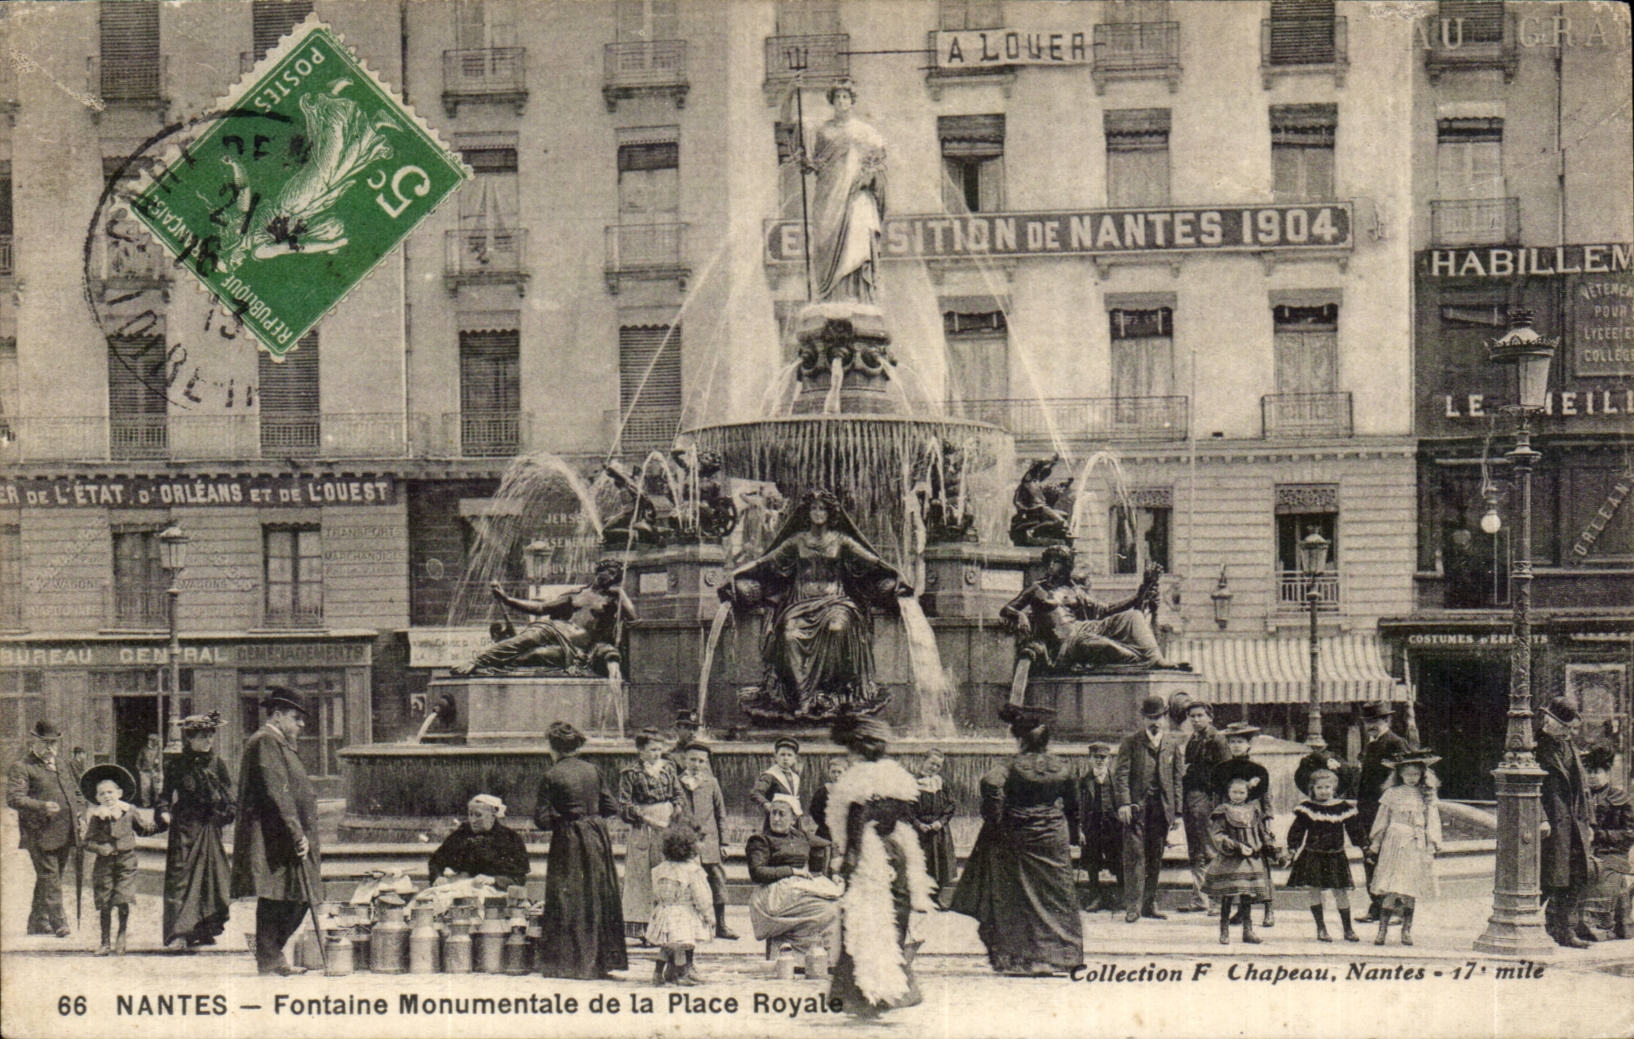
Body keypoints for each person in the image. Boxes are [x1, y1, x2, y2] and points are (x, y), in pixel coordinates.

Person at [721, 489, 910, 720]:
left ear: (831, 513)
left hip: (836, 602)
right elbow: (764, 562)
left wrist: (897, 575)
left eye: (822, 508)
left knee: (837, 629)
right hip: (800, 603)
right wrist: (737, 573)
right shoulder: (797, 541)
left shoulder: (842, 540)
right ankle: (804, 699)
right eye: (814, 508)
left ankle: (832, 694)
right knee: (789, 636)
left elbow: (874, 562)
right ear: (807, 512)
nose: (818, 512)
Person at [952, 704, 1083, 976]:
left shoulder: (1010, 765)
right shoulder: (1063, 766)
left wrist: (996, 817)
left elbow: (990, 783)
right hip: (1052, 837)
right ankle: (1062, 956)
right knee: (1057, 896)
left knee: (1016, 897)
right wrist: (1072, 831)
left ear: (1021, 740)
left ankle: (1021, 958)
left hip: (1018, 835)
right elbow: (1073, 804)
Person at [825, 714, 933, 1017]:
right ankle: (893, 988)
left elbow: (856, 818)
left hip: (871, 854)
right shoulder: (896, 775)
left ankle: (864, 993)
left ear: (857, 749)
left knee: (865, 920)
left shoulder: (856, 778)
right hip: (897, 850)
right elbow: (908, 813)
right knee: (894, 917)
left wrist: (850, 857)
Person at [230, 691, 320, 976]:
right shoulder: (266, 741)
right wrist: (296, 833)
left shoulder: (278, 742)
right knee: (284, 895)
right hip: (274, 834)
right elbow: (276, 790)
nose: (302, 725)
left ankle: (270, 954)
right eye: (296, 718)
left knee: (290, 894)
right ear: (277, 715)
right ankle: (269, 956)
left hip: (280, 832)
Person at [534, 721, 627, 979]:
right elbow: (610, 807)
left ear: (553, 747)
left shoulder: (551, 775)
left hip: (569, 839)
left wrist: (563, 817)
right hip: (597, 836)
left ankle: (569, 963)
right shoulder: (593, 770)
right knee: (599, 893)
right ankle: (601, 961)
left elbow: (541, 820)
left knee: (568, 897)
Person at [1000, 545, 1184, 673]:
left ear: (1066, 566)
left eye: (1057, 562)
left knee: (1133, 616)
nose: (1051, 566)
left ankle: (1157, 659)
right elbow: (1007, 609)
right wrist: (1020, 615)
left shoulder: (1075, 591)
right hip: (1067, 644)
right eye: (1049, 562)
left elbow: (1106, 610)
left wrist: (1140, 593)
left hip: (1083, 628)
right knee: (1109, 648)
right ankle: (1143, 661)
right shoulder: (1036, 589)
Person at [452, 559, 637, 676]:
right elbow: (540, 608)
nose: (613, 577)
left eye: (616, 575)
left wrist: (621, 594)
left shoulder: (613, 598)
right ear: (598, 571)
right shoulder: (577, 593)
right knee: (523, 640)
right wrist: (507, 599)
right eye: (610, 572)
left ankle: (492, 666)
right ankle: (477, 662)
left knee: (535, 655)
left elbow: (633, 617)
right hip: (552, 628)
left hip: (573, 647)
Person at [158, 713, 235, 952]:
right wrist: (163, 812)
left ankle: (203, 929)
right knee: (181, 880)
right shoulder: (176, 765)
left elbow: (230, 797)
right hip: (184, 827)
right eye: (202, 736)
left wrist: (224, 815)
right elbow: (163, 796)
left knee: (211, 878)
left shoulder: (217, 764)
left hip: (209, 827)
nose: (208, 740)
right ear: (189, 738)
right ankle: (179, 933)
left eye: (210, 735)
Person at [805, 78, 887, 304]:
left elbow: (879, 163)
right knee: (827, 242)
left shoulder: (866, 132)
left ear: (852, 101)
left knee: (857, 240)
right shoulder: (823, 132)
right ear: (832, 101)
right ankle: (831, 295)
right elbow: (816, 162)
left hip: (856, 196)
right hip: (829, 197)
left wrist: (869, 177)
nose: (842, 102)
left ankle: (857, 294)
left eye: (846, 97)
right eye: (838, 97)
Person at [7, 720, 87, 938]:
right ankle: (59, 922)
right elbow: (14, 798)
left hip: (65, 830)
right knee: (50, 877)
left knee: (51, 877)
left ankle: (38, 922)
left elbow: (78, 794)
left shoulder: (63, 765)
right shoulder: (22, 767)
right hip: (39, 832)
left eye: (54, 743)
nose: (50, 748)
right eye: (45, 743)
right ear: (34, 741)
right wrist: (41, 806)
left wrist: (80, 814)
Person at [1113, 694, 1184, 923]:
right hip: (1136, 809)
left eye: (1159, 717)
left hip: (1161, 810)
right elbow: (1121, 775)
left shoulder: (1173, 744)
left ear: (1165, 717)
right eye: (1150, 717)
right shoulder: (1131, 742)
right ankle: (1132, 906)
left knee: (1155, 856)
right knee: (1134, 856)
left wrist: (1178, 812)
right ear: (1143, 718)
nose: (1154, 722)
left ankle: (1149, 903)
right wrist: (1123, 802)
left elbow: (1177, 779)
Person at [745, 795, 842, 960]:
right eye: (773, 813)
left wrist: (835, 871)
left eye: (781, 814)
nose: (775, 818)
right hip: (772, 896)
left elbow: (830, 845)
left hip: (795, 890)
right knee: (828, 910)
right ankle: (796, 953)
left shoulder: (800, 836)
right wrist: (792, 871)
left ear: (793, 819)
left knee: (837, 905)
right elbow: (757, 873)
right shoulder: (761, 841)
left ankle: (805, 955)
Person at [1536, 697, 1596, 948]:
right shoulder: (1535, 746)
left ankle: (1564, 928)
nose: (1568, 732)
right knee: (1549, 879)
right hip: (1551, 824)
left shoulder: (1569, 746)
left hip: (1574, 821)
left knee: (1577, 874)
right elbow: (1527, 785)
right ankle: (1522, 922)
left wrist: (1589, 821)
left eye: (1570, 728)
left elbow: (1582, 787)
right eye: (1564, 726)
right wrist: (1540, 817)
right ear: (1550, 722)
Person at [81, 764, 160, 955]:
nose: (107, 796)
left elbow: (143, 829)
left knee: (123, 898)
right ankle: (105, 942)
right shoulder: (97, 816)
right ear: (97, 798)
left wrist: (161, 823)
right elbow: (87, 842)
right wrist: (100, 848)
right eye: (102, 794)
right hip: (104, 863)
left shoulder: (129, 810)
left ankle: (122, 935)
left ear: (119, 792)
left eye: (110, 792)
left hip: (126, 861)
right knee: (105, 901)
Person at [1366, 750, 1443, 946]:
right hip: (1394, 842)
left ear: (1422, 775)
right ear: (1399, 774)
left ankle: (1406, 930)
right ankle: (1382, 930)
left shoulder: (1426, 795)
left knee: (1409, 888)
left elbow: (1432, 821)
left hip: (1415, 843)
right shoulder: (1391, 794)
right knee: (1390, 886)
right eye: (1407, 774)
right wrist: (1375, 844)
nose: (1411, 778)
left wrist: (1432, 844)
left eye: (1415, 774)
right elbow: (1382, 820)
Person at [619, 728, 686, 941]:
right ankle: (641, 927)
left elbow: (678, 793)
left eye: (659, 749)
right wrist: (645, 818)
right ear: (640, 750)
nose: (656, 754)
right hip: (643, 824)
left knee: (665, 870)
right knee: (641, 874)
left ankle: (665, 926)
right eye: (652, 750)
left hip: (666, 821)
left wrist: (677, 807)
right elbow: (625, 803)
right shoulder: (630, 773)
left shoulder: (669, 767)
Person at [1285, 768, 1367, 943]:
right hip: (1313, 855)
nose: (1323, 791)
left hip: (1336, 856)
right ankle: (1321, 928)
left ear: (1334, 788)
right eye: (1319, 787)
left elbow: (1355, 830)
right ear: (1312, 789)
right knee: (1315, 890)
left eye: (1327, 787)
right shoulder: (1307, 809)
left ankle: (1348, 929)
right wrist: (1292, 849)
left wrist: (1364, 847)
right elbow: (1297, 831)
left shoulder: (1343, 808)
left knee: (1341, 892)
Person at [1212, 721, 1276, 927]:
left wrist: (1268, 820)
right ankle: (1241, 910)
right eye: (1233, 742)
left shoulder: (1259, 770)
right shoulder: (1222, 769)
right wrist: (1217, 819)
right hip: (1231, 820)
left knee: (1260, 862)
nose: (1236, 746)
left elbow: (1266, 798)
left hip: (1254, 820)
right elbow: (1217, 798)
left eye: (1240, 742)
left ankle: (1269, 909)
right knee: (1237, 865)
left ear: (1249, 744)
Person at [1354, 702, 1412, 924]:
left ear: (1386, 721)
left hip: (1388, 811)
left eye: (1375, 721)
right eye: (1368, 722)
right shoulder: (1371, 744)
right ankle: (1377, 906)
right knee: (1371, 856)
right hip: (1368, 810)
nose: (1371, 726)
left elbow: (1407, 776)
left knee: (1390, 858)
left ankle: (1395, 908)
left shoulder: (1396, 743)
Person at [1206, 776, 1276, 946]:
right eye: (1234, 792)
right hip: (1231, 858)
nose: (1238, 795)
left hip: (1251, 858)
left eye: (1242, 792)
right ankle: (1224, 931)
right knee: (1228, 895)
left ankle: (1248, 931)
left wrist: (1267, 844)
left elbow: (1260, 831)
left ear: (1247, 793)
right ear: (1228, 793)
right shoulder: (1222, 811)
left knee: (1247, 896)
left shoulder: (1254, 810)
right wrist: (1236, 846)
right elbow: (1217, 835)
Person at [679, 743, 738, 939]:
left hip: (710, 842)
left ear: (706, 763)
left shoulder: (711, 783)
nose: (696, 764)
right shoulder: (677, 782)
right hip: (686, 841)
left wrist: (724, 843)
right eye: (692, 759)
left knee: (717, 881)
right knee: (687, 882)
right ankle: (690, 926)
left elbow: (720, 813)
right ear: (684, 760)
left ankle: (721, 925)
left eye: (701, 761)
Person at [645, 826, 716, 986]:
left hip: (664, 910)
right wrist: (708, 914)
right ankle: (682, 973)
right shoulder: (692, 871)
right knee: (682, 945)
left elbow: (654, 892)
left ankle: (658, 973)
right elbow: (701, 896)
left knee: (667, 946)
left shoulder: (659, 869)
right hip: (683, 913)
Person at [1180, 701, 1231, 914]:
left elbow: (1225, 772)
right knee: (1196, 850)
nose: (1195, 719)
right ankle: (1200, 898)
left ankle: (1217, 900)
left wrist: (1217, 804)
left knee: (1210, 849)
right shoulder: (1193, 740)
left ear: (1210, 717)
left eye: (1200, 715)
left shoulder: (1217, 740)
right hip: (1191, 799)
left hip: (1208, 799)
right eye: (1192, 716)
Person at [1582, 744, 1633, 941]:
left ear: (1607, 773)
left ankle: (1603, 924)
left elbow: (1629, 834)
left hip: (1612, 853)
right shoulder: (1582, 797)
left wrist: (1599, 835)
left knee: (1603, 875)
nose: (1591, 776)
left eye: (1596, 772)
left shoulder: (1621, 799)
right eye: (1588, 772)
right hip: (1586, 852)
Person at [427, 794, 530, 890]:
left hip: (494, 894)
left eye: (478, 815)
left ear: (492, 815)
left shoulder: (510, 838)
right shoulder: (461, 834)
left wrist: (494, 880)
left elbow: (519, 879)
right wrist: (438, 878)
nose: (473, 820)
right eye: (470, 814)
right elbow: (436, 861)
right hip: (461, 889)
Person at [1077, 741, 1122, 912]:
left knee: (1117, 859)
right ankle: (1095, 896)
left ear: (1109, 760)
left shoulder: (1115, 780)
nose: (1100, 761)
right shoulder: (1083, 780)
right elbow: (1079, 806)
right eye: (1096, 757)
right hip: (1092, 827)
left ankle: (1121, 895)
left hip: (1112, 827)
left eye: (1103, 757)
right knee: (1092, 862)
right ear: (1090, 759)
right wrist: (1080, 829)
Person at [911, 748, 957, 906]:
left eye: (938, 766)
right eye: (932, 763)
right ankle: (919, 897)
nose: (934, 768)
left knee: (940, 864)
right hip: (920, 830)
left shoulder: (941, 783)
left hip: (938, 830)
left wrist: (941, 822)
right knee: (920, 862)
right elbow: (906, 809)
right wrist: (918, 824)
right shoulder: (913, 782)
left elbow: (951, 806)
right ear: (923, 761)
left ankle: (938, 897)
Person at [751, 737, 807, 831]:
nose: (786, 758)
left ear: (795, 758)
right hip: (776, 820)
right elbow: (755, 793)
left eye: (789, 755)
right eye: (782, 755)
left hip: (792, 819)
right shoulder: (770, 775)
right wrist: (767, 804)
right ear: (775, 757)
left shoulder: (795, 777)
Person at [808, 757, 849, 842]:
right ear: (829, 773)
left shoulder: (850, 791)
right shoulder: (822, 792)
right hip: (826, 831)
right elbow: (814, 811)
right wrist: (826, 824)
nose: (836, 775)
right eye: (833, 772)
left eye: (839, 772)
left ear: (846, 773)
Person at [135, 733, 164, 808]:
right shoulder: (144, 749)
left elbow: (161, 760)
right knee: (145, 788)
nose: (152, 742)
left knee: (157, 787)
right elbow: (138, 761)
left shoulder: (159, 750)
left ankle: (157, 804)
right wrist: (140, 770)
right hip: (145, 772)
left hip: (155, 771)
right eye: (151, 740)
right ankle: (146, 804)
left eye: (154, 740)